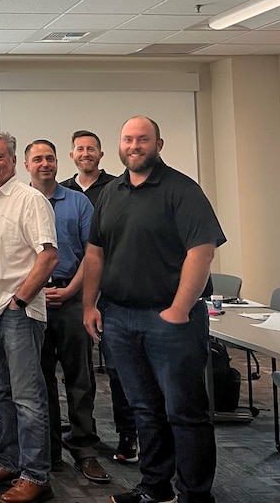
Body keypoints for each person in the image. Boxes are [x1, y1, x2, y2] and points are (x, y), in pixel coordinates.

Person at [82, 117, 225, 503]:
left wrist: (179, 309)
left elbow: (202, 251)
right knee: (144, 408)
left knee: (185, 411)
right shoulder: (111, 192)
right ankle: (155, 487)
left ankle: (196, 493)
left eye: (142, 139)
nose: (134, 145)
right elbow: (95, 252)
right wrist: (89, 305)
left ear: (158, 144)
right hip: (119, 318)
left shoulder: (182, 190)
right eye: (128, 139)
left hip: (170, 320)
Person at [0, 131, 58, 503]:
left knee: (27, 398)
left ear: (14, 161)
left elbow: (48, 256)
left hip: (16, 312)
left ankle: (36, 476)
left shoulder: (30, 200)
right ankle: (9, 461)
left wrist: (20, 300)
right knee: (0, 394)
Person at [24, 139, 107, 483]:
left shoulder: (79, 202)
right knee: (39, 382)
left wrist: (72, 289)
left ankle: (85, 451)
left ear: (59, 162)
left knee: (80, 379)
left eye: (50, 157)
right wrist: (36, 291)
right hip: (33, 301)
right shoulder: (20, 201)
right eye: (37, 158)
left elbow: (93, 252)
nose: (45, 163)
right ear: (26, 165)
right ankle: (50, 451)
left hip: (72, 298)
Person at [60, 129, 136, 465]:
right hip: (76, 293)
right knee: (80, 371)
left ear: (101, 155)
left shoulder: (120, 188)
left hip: (114, 291)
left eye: (92, 148)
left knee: (119, 369)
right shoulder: (62, 191)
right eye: (80, 149)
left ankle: (128, 434)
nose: (86, 153)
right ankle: (82, 433)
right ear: (72, 155)